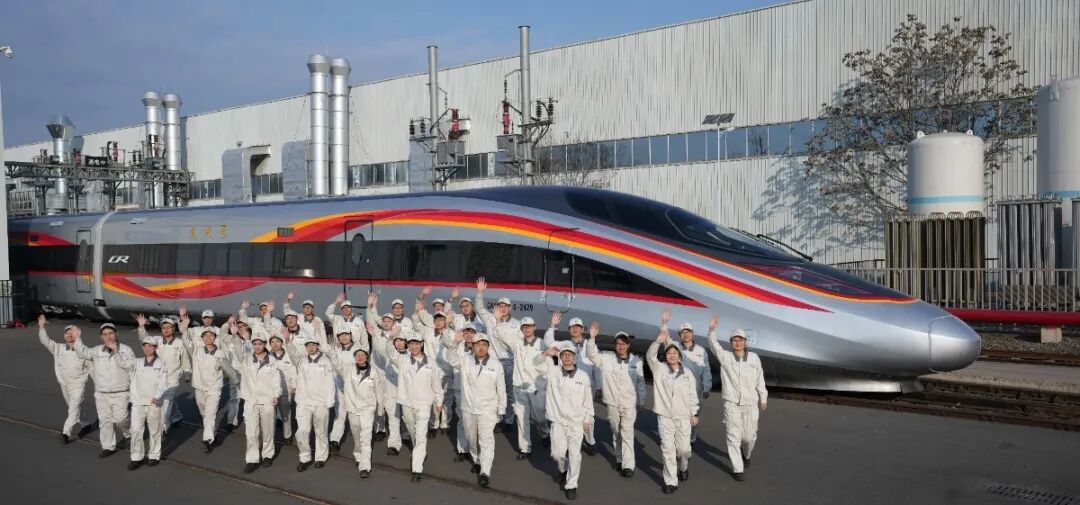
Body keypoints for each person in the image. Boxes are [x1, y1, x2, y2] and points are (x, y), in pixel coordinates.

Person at [374, 326, 443, 482]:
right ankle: (420, 451)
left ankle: (417, 468)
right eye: (411, 343)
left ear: (422, 344)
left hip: (424, 404)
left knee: (421, 434)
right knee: (412, 431)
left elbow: (437, 385)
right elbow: (390, 352)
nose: (413, 346)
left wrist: (439, 401)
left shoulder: (431, 363)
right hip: (406, 403)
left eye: (416, 343)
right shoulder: (402, 360)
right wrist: (390, 338)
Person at [706, 317, 768, 481]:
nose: (738, 342)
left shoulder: (754, 358)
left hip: (750, 404)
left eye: (740, 340)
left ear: (745, 342)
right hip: (732, 404)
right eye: (734, 340)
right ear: (731, 343)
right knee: (733, 437)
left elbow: (760, 379)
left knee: (749, 438)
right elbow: (713, 345)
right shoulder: (726, 357)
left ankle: (746, 455)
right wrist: (712, 330)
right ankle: (737, 469)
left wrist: (763, 398)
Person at [443, 329, 506, 487]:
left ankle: (485, 472)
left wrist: (501, 410)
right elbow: (451, 359)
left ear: (488, 347)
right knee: (471, 438)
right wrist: (455, 343)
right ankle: (477, 458)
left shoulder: (496, 365)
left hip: (488, 410)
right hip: (468, 408)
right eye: (478, 344)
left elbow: (501, 389)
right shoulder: (465, 360)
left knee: (486, 440)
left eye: (484, 344)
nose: (481, 347)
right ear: (473, 346)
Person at [533, 341, 594, 501]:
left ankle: (571, 485)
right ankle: (563, 468)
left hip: (576, 423)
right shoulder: (552, 371)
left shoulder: (583, 376)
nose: (567, 357)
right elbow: (535, 363)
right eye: (564, 354)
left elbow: (588, 400)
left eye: (570, 354)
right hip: (558, 422)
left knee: (575, 455)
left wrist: (588, 418)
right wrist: (546, 353)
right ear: (560, 357)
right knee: (557, 454)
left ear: (574, 357)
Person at [584, 322, 646, 477]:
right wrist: (592, 338)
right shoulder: (607, 359)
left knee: (627, 433)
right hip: (612, 403)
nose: (621, 346)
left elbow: (640, 383)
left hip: (629, 404)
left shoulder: (636, 362)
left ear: (628, 345)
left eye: (624, 343)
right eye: (618, 343)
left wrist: (641, 401)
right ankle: (619, 459)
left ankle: (628, 466)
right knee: (617, 432)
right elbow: (592, 355)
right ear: (615, 345)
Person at [646, 328, 700, 494]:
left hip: (683, 416)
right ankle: (670, 481)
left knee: (683, 450)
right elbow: (650, 356)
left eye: (675, 353)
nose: (672, 355)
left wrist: (694, 413)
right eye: (669, 353)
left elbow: (693, 395)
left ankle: (683, 467)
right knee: (667, 448)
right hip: (665, 416)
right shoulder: (659, 369)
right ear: (666, 356)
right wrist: (658, 342)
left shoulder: (688, 373)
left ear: (679, 356)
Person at [490, 313, 550, 460]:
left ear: (534, 327)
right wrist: (497, 320)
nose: (527, 329)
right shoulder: (516, 343)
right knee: (522, 418)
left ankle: (545, 433)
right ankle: (525, 448)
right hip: (519, 387)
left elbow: (549, 362)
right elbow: (501, 333)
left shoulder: (542, 343)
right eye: (524, 327)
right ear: (521, 329)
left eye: (529, 326)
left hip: (536, 388)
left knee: (540, 418)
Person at [72, 322, 135, 457]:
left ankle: (129, 434)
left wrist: (116, 352)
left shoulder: (126, 350)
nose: (108, 336)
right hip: (102, 393)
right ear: (101, 337)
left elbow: (131, 366)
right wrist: (77, 338)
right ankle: (108, 447)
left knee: (121, 419)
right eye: (105, 334)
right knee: (105, 421)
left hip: (121, 392)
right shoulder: (97, 350)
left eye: (111, 333)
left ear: (116, 334)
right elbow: (82, 353)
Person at [281, 326, 338, 471]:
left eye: (313, 345)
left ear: (317, 346)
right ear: (305, 347)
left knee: (321, 432)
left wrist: (329, 402)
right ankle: (305, 457)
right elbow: (292, 353)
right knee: (302, 432)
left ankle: (320, 457)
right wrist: (287, 340)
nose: (311, 347)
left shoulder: (326, 361)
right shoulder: (301, 360)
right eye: (308, 345)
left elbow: (330, 383)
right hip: (303, 402)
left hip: (321, 403)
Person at [179, 312, 237, 453]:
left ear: (215, 338)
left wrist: (238, 381)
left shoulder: (220, 354)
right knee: (204, 413)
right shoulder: (196, 350)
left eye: (211, 335)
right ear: (202, 338)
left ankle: (208, 440)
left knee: (210, 415)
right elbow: (187, 343)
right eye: (205, 336)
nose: (208, 337)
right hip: (199, 387)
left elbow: (229, 371)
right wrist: (184, 330)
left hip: (214, 388)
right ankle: (211, 432)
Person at [228, 325, 283, 474]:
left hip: (268, 401)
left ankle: (267, 455)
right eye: (255, 344)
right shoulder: (247, 360)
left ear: (265, 345)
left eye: (260, 343)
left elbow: (276, 379)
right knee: (251, 432)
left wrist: (276, 395)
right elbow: (239, 351)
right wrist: (236, 337)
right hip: (251, 401)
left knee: (268, 430)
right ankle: (252, 459)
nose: (257, 346)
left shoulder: (272, 360)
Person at [543, 314, 600, 455]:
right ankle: (569, 443)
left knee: (587, 416)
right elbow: (548, 342)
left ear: (582, 329)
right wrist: (553, 326)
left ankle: (590, 440)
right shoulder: (564, 344)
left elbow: (597, 366)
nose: (575, 329)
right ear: (569, 329)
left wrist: (599, 387)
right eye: (572, 327)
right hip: (567, 384)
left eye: (578, 327)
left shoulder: (590, 345)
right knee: (568, 415)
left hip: (586, 385)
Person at [36, 315, 91, 444]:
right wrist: (42, 326)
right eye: (67, 332)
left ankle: (66, 432)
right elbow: (45, 341)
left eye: (72, 332)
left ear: (78, 333)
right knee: (73, 407)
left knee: (73, 408)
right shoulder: (58, 348)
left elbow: (92, 368)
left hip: (78, 385)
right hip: (64, 384)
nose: (69, 334)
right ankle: (86, 424)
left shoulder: (85, 351)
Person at [660, 308, 712, 443]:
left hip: (696, 389)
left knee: (694, 415)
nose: (686, 334)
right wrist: (664, 323)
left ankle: (692, 438)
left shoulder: (701, 351)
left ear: (692, 333)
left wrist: (707, 387)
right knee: (677, 414)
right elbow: (665, 337)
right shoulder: (675, 347)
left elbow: (706, 370)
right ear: (680, 335)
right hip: (678, 388)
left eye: (688, 331)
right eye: (683, 332)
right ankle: (677, 438)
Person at [118, 336, 168, 470]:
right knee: (135, 430)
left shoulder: (161, 364)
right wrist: (115, 351)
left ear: (155, 348)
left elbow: (163, 382)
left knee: (155, 430)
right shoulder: (137, 362)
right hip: (138, 401)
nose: (147, 348)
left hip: (154, 402)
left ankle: (154, 455)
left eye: (150, 346)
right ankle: (136, 457)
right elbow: (123, 364)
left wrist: (157, 396)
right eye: (145, 346)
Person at [474, 277, 517, 429]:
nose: (503, 308)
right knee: (493, 391)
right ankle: (496, 419)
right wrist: (480, 293)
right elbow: (479, 308)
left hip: (508, 362)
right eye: (501, 306)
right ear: (496, 307)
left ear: (510, 308)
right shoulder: (489, 319)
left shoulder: (516, 324)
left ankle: (509, 420)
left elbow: (515, 345)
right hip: (492, 361)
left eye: (506, 306)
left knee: (509, 393)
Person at [136, 314, 187, 433]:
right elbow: (145, 339)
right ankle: (177, 416)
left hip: (173, 376)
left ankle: (163, 426)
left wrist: (187, 371)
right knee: (163, 398)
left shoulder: (179, 343)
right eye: (164, 327)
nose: (166, 330)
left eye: (169, 327)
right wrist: (141, 327)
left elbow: (185, 359)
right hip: (158, 375)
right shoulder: (157, 340)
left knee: (167, 401)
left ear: (173, 329)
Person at [336, 345, 379, 477]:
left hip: (367, 409)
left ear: (367, 357)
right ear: (354, 358)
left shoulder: (374, 373)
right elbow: (336, 364)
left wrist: (380, 409)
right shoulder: (348, 370)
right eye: (357, 355)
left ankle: (364, 467)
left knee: (366, 437)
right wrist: (331, 351)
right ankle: (358, 455)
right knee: (356, 433)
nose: (360, 357)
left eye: (363, 355)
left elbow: (379, 391)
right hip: (353, 408)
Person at [329, 325, 368, 453]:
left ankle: (362, 441)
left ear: (350, 335)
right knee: (339, 414)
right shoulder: (335, 349)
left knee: (357, 417)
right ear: (338, 337)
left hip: (356, 388)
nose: (344, 337)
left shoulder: (359, 349)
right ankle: (334, 440)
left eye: (346, 334)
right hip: (340, 387)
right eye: (341, 335)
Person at [267, 333, 297, 441]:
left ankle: (287, 436)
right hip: (271, 392)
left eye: (277, 341)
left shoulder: (289, 356)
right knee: (269, 416)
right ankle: (269, 437)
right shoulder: (268, 357)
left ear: (282, 342)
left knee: (286, 415)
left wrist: (294, 387)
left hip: (286, 390)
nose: (275, 344)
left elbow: (294, 372)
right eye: (272, 342)